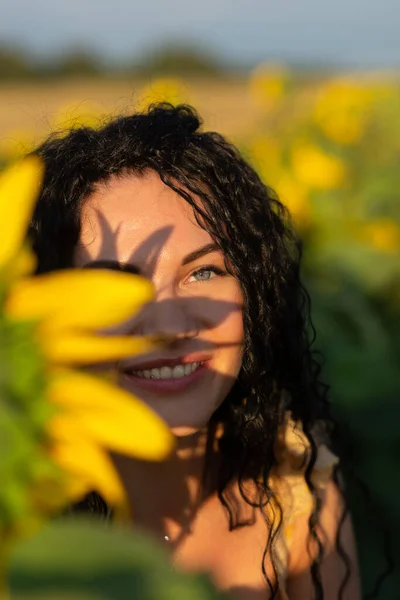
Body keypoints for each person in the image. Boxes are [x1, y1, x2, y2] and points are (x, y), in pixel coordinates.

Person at [29, 103, 361, 600]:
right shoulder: (20, 510)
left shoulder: (296, 488)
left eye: (204, 272)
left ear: (254, 292)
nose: (168, 325)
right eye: (114, 288)